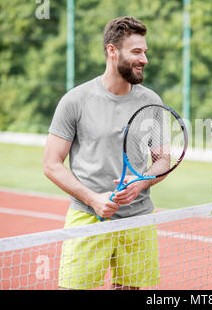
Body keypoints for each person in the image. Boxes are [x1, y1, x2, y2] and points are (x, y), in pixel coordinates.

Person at [43, 16, 164, 290]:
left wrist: (141, 182)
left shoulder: (151, 101)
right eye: (136, 51)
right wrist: (94, 199)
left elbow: (163, 160)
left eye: (145, 51)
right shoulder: (75, 100)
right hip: (87, 216)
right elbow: (51, 164)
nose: (144, 59)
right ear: (112, 51)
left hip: (138, 218)